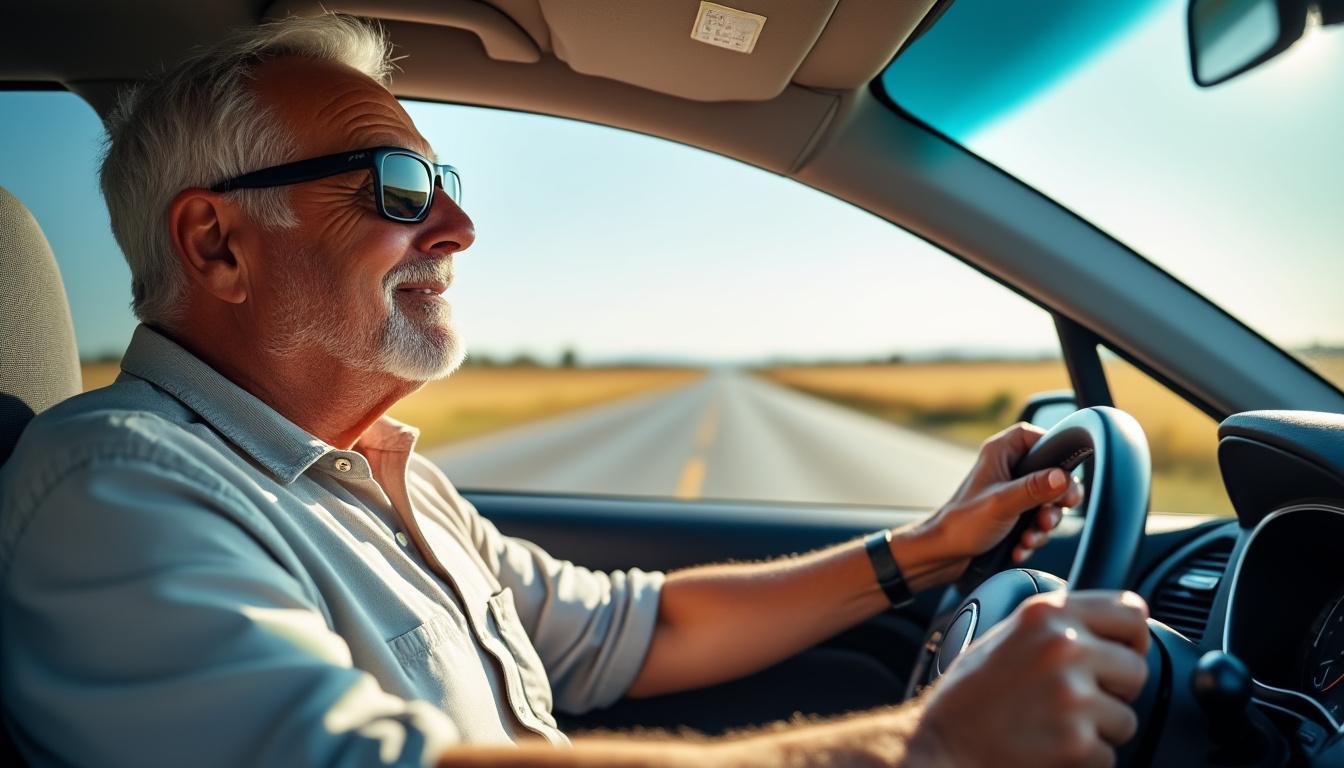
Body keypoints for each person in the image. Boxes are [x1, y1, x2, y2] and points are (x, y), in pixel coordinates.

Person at [0, 14, 1149, 768]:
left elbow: (632, 631)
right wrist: (923, 753)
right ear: (216, 245)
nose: (458, 226)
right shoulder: (113, 488)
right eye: (397, 185)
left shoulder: (388, 477)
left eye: (445, 181)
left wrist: (930, 549)